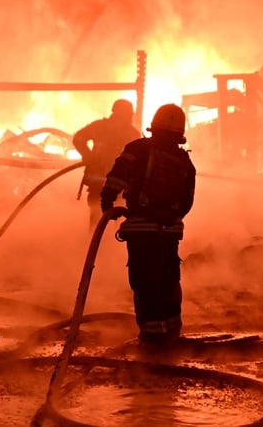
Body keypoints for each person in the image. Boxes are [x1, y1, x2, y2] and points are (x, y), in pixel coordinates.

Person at [100, 103, 196, 344]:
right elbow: (187, 201)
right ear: (180, 133)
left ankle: (151, 336)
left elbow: (116, 177)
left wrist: (107, 204)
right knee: (168, 278)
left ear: (154, 126)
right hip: (170, 230)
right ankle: (172, 329)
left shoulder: (138, 149)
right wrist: (170, 218)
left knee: (145, 280)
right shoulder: (184, 160)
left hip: (141, 229)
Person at [73, 99, 141, 228]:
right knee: (99, 220)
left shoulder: (132, 134)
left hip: (116, 187)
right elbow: (78, 138)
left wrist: (88, 156)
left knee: (111, 222)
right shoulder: (101, 127)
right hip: (103, 185)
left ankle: (103, 245)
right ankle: (97, 244)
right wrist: (88, 156)